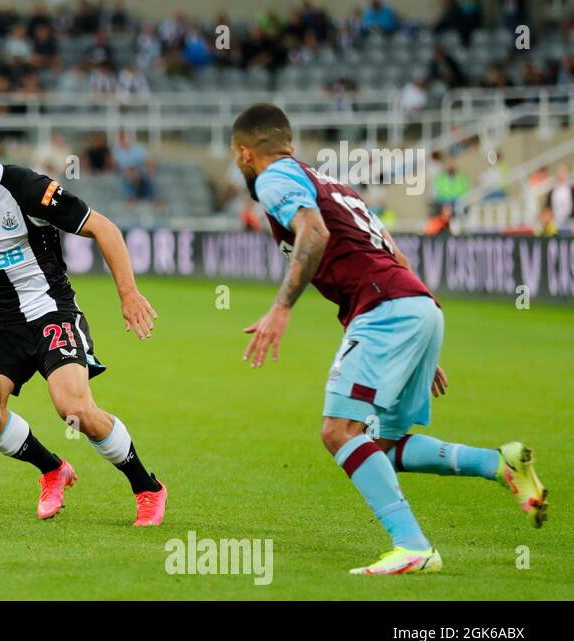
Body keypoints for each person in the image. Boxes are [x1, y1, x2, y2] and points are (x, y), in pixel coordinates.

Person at [232, 103, 547, 575]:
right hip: (413, 304)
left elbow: (313, 235)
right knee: (383, 443)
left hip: (387, 308)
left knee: (339, 431)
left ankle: (413, 546)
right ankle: (498, 464)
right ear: (289, 143)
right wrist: (419, 338)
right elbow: (392, 251)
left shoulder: (273, 179)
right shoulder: (333, 185)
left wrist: (280, 309)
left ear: (244, 153)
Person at [0, 118, 167, 526]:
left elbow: (105, 229)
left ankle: (147, 487)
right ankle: (52, 469)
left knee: (74, 409)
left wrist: (129, 295)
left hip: (50, 312)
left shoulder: (30, 190)